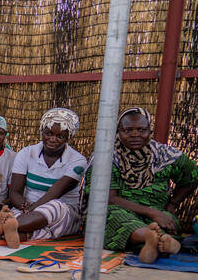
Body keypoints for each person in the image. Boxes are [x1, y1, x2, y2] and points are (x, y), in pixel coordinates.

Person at [84, 107, 197, 263]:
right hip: (121, 211)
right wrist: (152, 213)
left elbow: (192, 176)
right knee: (105, 214)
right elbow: (107, 199)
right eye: (127, 130)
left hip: (159, 215)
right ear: (118, 132)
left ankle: (154, 241)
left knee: (167, 222)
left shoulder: (164, 155)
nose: (135, 134)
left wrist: (172, 205)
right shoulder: (107, 157)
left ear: (149, 130)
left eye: (141, 129)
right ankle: (157, 239)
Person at [0, 107, 88, 249]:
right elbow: (15, 192)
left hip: (64, 211)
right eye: (48, 133)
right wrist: (24, 207)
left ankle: (5, 228)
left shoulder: (77, 160)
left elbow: (54, 193)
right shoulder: (26, 153)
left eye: (60, 136)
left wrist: (30, 211)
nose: (52, 139)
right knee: (11, 213)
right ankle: (21, 234)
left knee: (54, 207)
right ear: (42, 131)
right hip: (28, 208)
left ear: (68, 137)